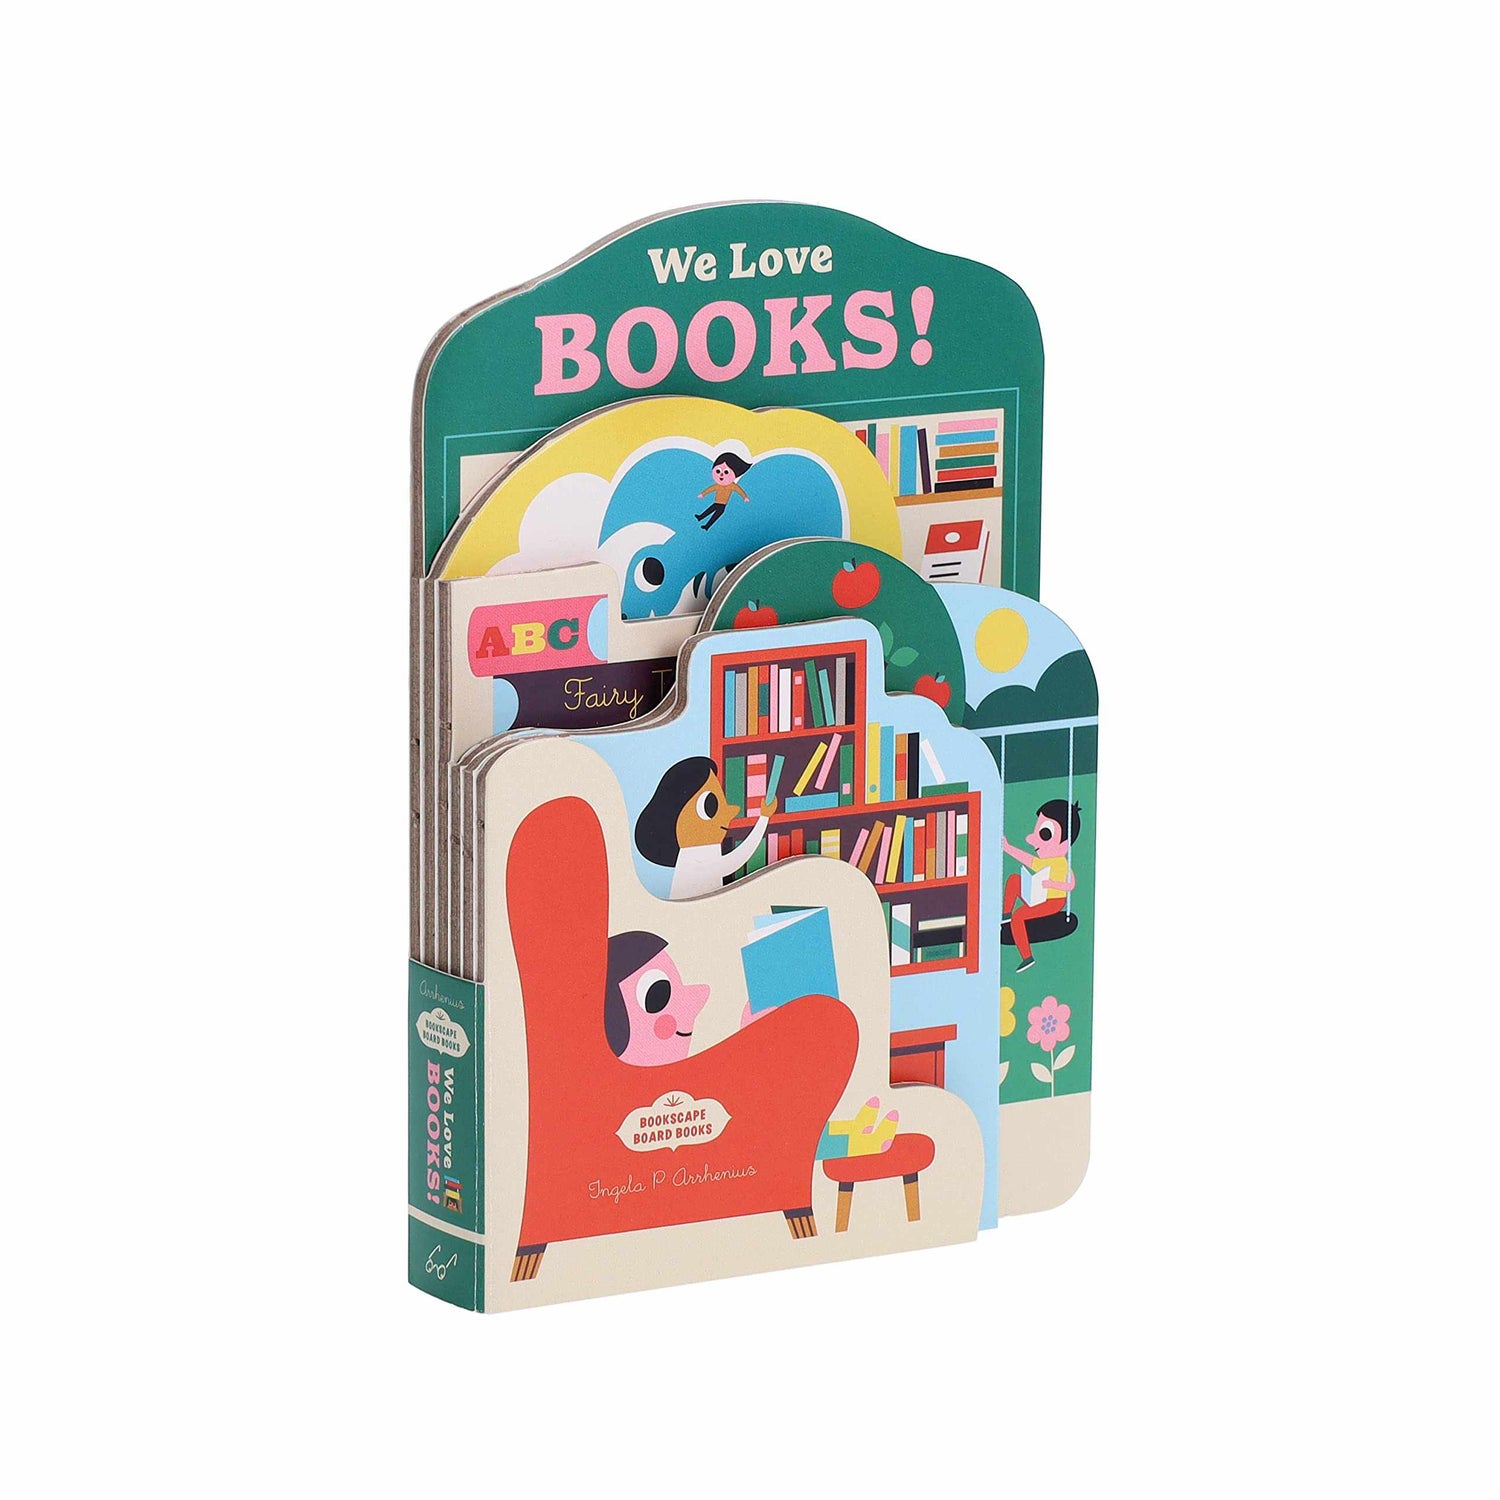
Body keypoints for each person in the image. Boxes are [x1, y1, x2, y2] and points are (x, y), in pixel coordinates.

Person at [635, 755, 776, 899]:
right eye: (710, 805)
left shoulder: (704, 851)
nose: (731, 813)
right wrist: (763, 818)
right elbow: (737, 859)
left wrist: (764, 818)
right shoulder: (694, 856)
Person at [1001, 799, 1080, 972]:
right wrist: (1008, 848)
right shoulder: (1047, 861)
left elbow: (1071, 885)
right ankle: (1005, 915)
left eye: (1044, 834)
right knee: (1014, 880)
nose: (1031, 839)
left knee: (1019, 916)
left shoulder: (1060, 863)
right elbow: (1028, 859)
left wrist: (1052, 883)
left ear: (1064, 844)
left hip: (1053, 902)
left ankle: (1027, 957)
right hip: (1039, 895)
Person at [694, 452, 752, 531]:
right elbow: (710, 489)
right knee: (710, 510)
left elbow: (739, 490)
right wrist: (703, 494)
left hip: (723, 505)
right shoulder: (718, 485)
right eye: (718, 471)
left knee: (716, 515)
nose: (721, 475)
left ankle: (707, 526)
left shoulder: (732, 486)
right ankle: (700, 517)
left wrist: (744, 497)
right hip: (717, 502)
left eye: (726, 472)